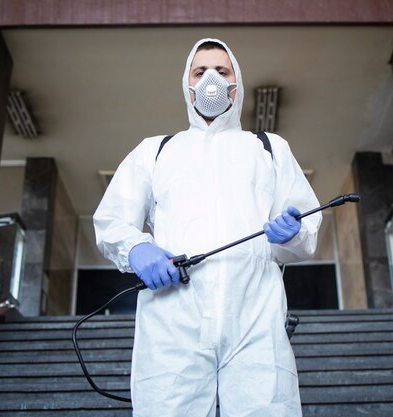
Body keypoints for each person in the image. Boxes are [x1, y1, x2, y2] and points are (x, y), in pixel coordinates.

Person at [94, 38, 321, 417]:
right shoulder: (157, 150)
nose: (211, 79)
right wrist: (136, 248)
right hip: (173, 322)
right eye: (200, 71)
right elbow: (111, 219)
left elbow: (307, 224)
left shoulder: (269, 149)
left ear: (237, 83)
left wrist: (293, 233)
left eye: (222, 70)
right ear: (187, 84)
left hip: (255, 320)